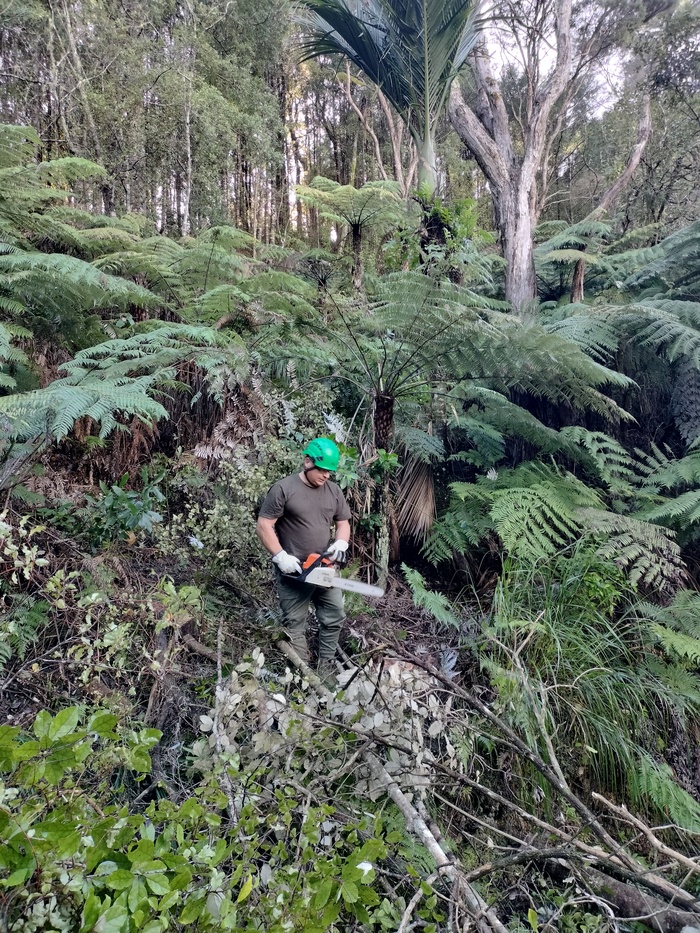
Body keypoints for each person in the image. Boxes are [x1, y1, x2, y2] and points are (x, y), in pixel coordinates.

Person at [256, 437, 351, 685]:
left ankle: (325, 667)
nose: (326, 476)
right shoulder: (283, 489)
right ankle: (303, 675)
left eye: (330, 471)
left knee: (335, 615)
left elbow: (343, 522)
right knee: (294, 623)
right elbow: (264, 525)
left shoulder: (333, 491)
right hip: (294, 570)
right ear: (307, 461)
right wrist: (280, 556)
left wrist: (341, 542)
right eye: (322, 470)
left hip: (323, 567)